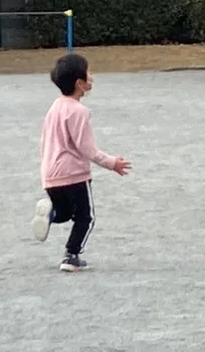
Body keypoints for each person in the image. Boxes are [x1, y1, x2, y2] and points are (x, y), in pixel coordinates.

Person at [31, 53, 131, 272]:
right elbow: (87, 149)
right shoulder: (79, 112)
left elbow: (44, 140)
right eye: (89, 73)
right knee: (86, 216)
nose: (92, 76)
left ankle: (50, 213)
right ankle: (71, 255)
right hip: (73, 174)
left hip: (50, 174)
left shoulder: (55, 107)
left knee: (65, 213)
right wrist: (112, 163)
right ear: (80, 84)